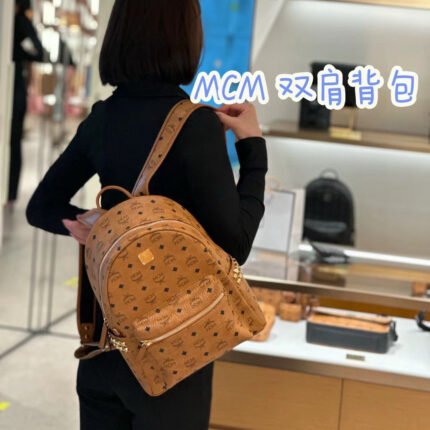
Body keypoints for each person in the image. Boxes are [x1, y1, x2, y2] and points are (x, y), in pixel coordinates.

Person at [26, 1, 267, 429]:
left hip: (102, 349)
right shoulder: (195, 125)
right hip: (173, 353)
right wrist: (252, 148)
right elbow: (237, 243)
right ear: (185, 37)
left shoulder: (104, 117)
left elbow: (41, 207)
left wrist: (96, 226)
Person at [8, 0, 43, 205]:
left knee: (13, 141)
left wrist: (16, 53)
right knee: (13, 142)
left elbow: (39, 52)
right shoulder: (15, 20)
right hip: (13, 87)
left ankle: (10, 191)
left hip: (14, 88)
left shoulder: (19, 21)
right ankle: (10, 191)